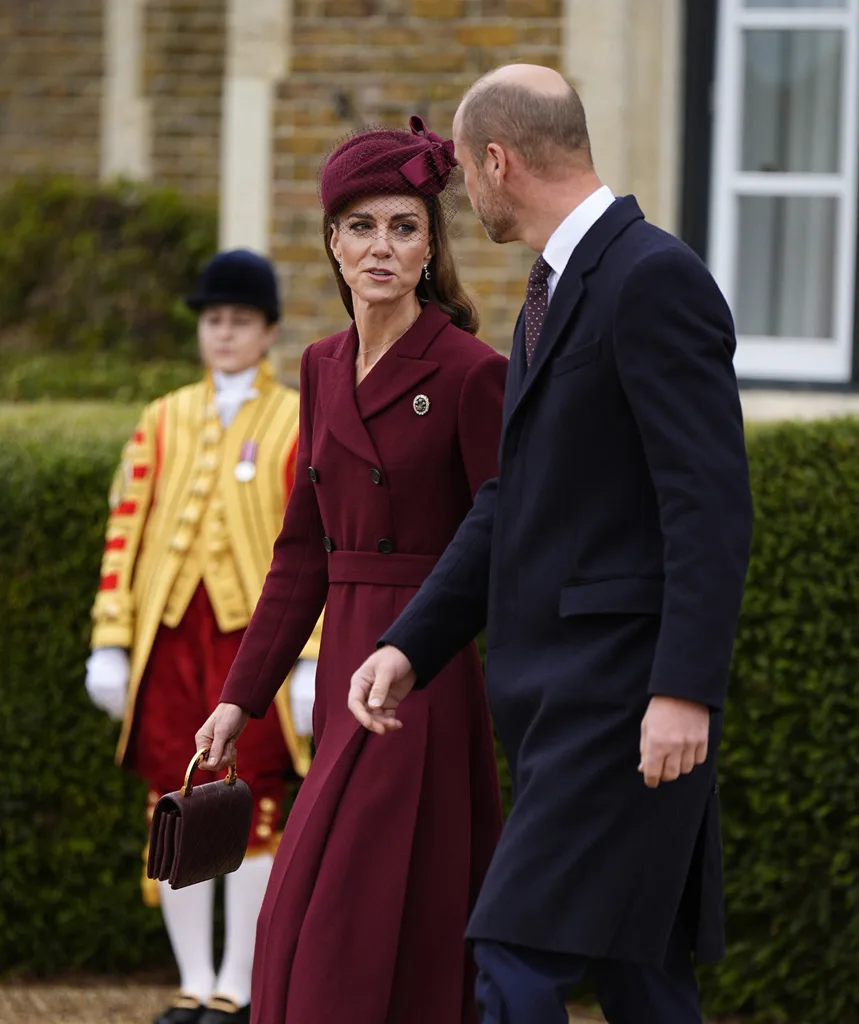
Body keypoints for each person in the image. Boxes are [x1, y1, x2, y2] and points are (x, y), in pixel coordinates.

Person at [348, 65, 755, 1024]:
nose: (459, 191)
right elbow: (509, 500)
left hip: (619, 702)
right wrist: (411, 643)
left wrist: (684, 689)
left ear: (498, 159)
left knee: (514, 952)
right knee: (638, 975)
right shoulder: (551, 289)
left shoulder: (651, 276)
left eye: (461, 169)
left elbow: (709, 503)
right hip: (561, 706)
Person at [195, 117, 506, 1024]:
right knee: (307, 897)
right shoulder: (321, 365)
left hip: (423, 668)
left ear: (428, 247)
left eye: (404, 227)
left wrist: (426, 650)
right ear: (331, 242)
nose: (381, 247)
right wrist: (237, 698)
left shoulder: (468, 371)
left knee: (363, 905)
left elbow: (500, 536)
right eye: (361, 226)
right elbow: (301, 553)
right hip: (342, 666)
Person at [85, 249, 321, 1024]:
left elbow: (315, 550)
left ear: (269, 331)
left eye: (240, 322)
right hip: (169, 641)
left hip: (252, 647)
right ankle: (191, 981)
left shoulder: (294, 418)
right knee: (171, 800)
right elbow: (125, 532)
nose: (223, 335)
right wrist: (112, 638)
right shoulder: (162, 418)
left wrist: (312, 659)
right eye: (213, 321)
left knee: (251, 803)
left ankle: (239, 983)